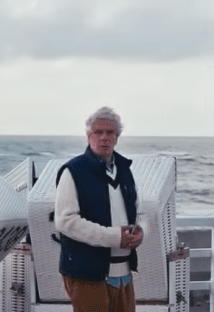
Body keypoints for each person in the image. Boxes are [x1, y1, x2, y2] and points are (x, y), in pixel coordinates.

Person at [55, 106, 144, 312]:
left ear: (117, 137)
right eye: (98, 132)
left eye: (110, 132)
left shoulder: (124, 171)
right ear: (88, 136)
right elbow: (66, 221)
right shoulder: (73, 171)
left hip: (124, 273)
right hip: (86, 274)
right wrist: (114, 237)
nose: (104, 137)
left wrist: (141, 232)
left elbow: (138, 212)